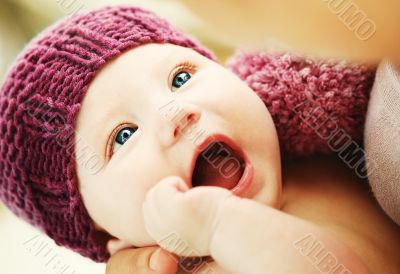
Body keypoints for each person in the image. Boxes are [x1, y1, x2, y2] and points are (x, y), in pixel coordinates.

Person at [0, 5, 399, 274]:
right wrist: (219, 226)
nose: (176, 114)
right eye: (123, 135)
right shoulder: (213, 261)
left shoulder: (320, 140)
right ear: (110, 236)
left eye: (181, 78)